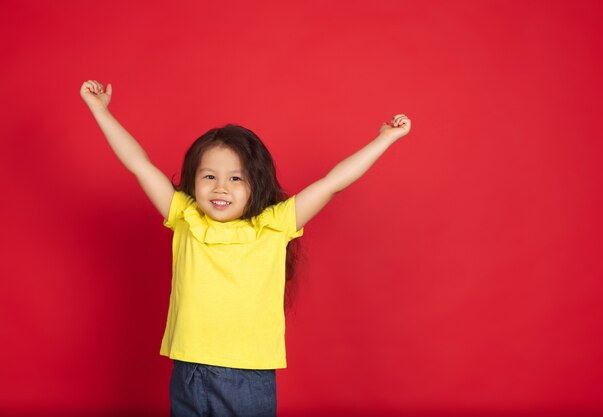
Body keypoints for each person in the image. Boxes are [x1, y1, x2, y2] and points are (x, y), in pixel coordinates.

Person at [80, 79, 411, 417]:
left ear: (257, 183)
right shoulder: (185, 216)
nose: (220, 187)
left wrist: (384, 139)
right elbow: (139, 164)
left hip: (246, 377)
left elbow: (332, 183)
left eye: (236, 178)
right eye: (209, 177)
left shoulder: (275, 223)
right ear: (194, 181)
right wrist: (100, 110)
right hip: (188, 370)